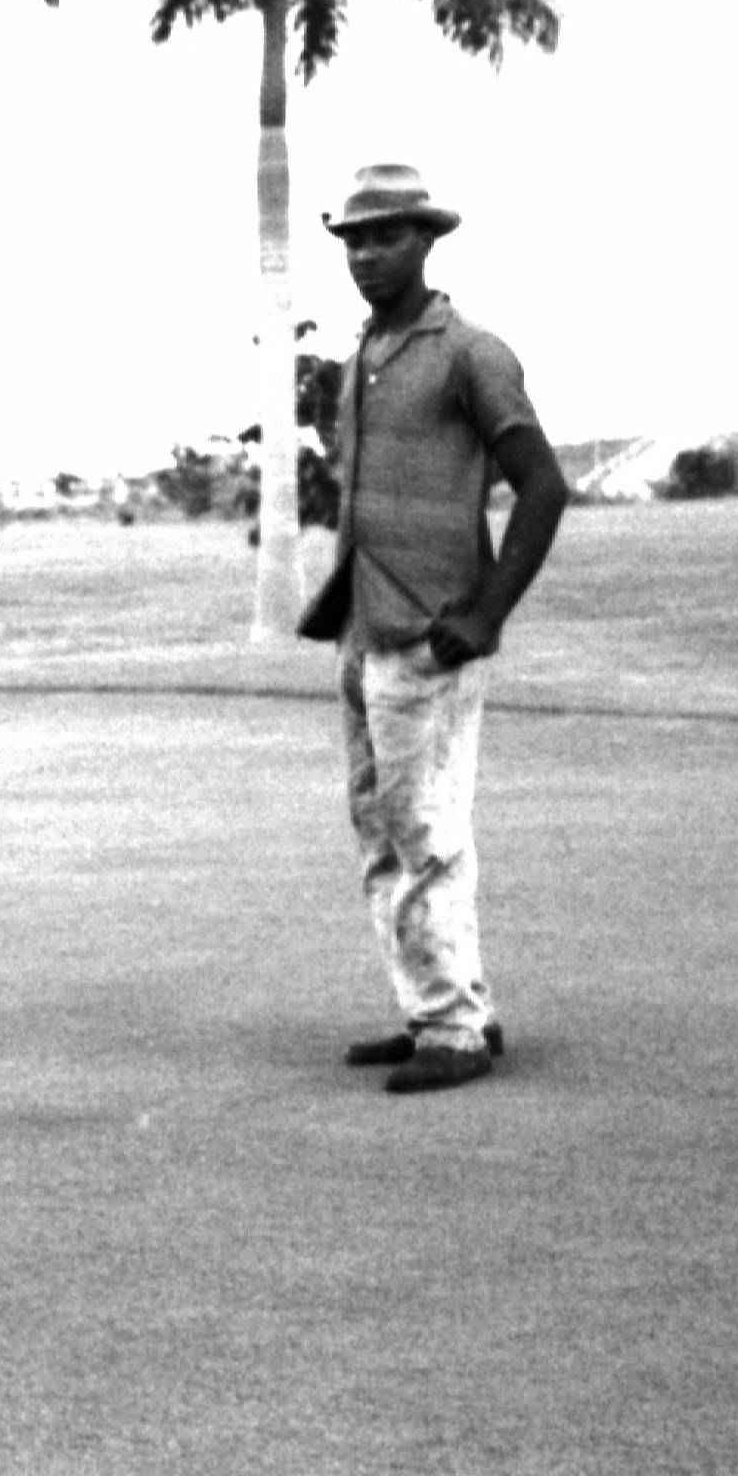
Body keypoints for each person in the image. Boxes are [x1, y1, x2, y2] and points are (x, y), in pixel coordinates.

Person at [298, 164, 569, 1094]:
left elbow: (543, 486)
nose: (367, 254)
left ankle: (452, 1030)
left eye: (387, 237)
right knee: (379, 827)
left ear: (428, 240)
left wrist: (486, 612)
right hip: (363, 627)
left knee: (426, 826)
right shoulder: (365, 354)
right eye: (354, 241)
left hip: (431, 632)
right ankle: (444, 1009)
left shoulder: (471, 352)